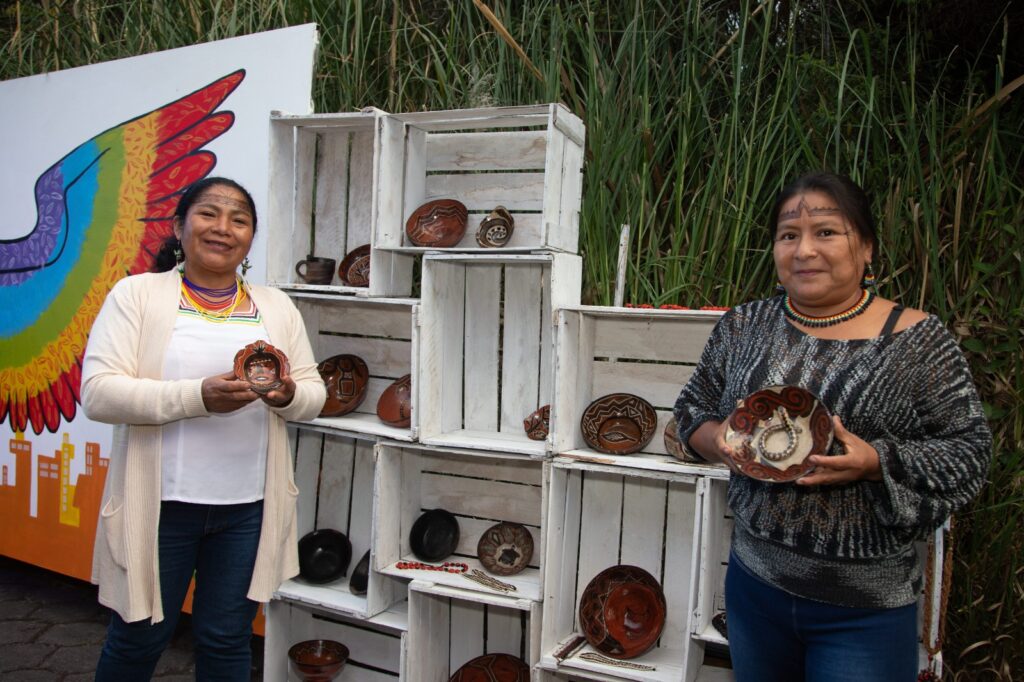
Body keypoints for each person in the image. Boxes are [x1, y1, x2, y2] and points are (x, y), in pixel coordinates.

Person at [673, 171, 991, 681]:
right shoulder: (744, 326)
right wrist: (720, 442)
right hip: (755, 589)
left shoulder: (916, 340)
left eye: (826, 232)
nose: (804, 250)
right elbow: (692, 407)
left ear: (866, 248)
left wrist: (875, 463)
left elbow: (970, 453)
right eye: (788, 234)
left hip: (864, 610)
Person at [82, 177, 326, 680]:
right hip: (161, 508)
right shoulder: (138, 295)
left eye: (239, 219)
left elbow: (313, 393)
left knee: (226, 639)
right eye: (209, 213)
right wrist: (198, 397)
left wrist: (288, 396)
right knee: (138, 638)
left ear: (251, 237)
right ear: (178, 226)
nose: (223, 227)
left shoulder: (275, 306)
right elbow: (100, 393)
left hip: (246, 511)